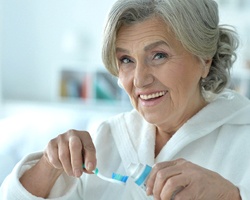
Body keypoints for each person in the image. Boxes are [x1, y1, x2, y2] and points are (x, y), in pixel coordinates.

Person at [1, 0, 250, 199]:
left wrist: (230, 196)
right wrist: (49, 164)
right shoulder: (107, 139)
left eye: (159, 55)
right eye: (126, 60)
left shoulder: (243, 138)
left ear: (204, 59)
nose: (139, 80)